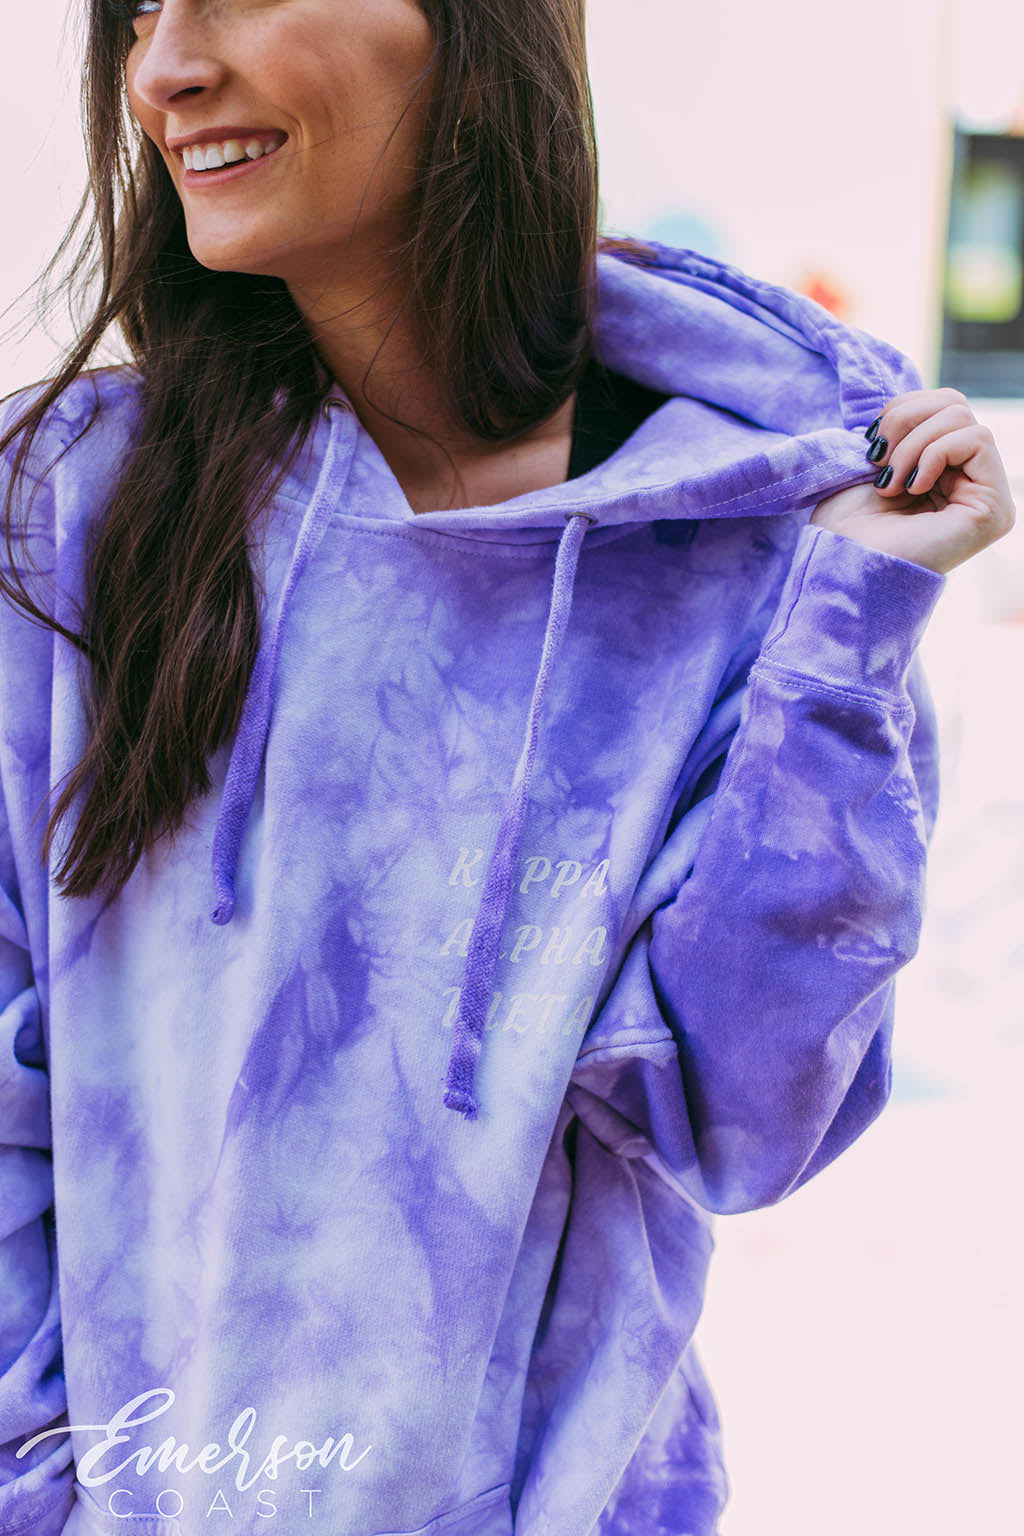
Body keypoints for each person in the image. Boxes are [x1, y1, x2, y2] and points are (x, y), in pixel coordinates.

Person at [0, 2, 1015, 1534]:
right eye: (136, 8)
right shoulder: (71, 508)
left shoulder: (744, 537)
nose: (162, 70)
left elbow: (748, 1124)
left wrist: (847, 633)